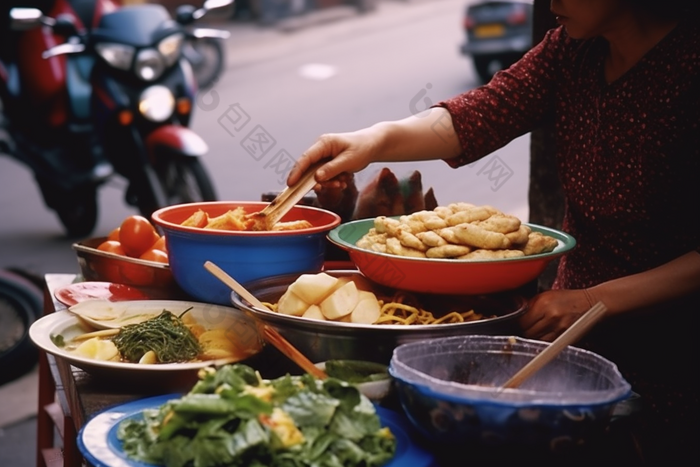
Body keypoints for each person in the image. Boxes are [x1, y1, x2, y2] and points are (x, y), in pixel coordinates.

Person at [287, 0, 699, 463]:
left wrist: (595, 300)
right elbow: (475, 116)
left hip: (674, 360)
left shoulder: (688, 65)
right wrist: (371, 141)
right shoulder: (572, 51)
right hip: (566, 334)